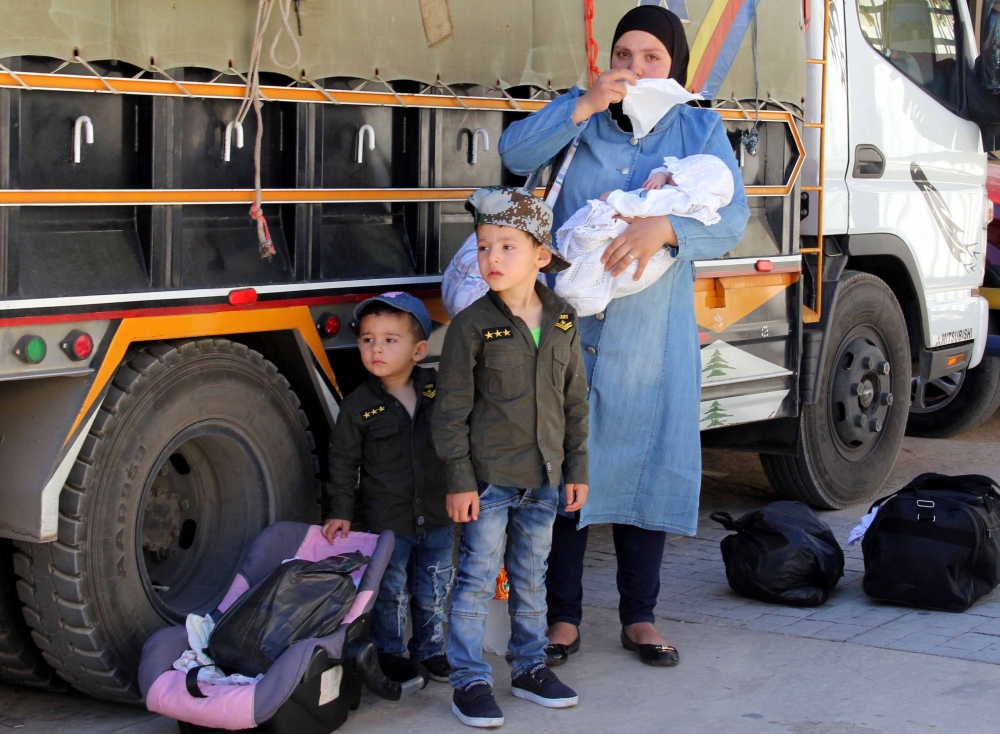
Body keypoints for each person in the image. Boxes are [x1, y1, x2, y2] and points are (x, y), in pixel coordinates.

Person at [498, 5, 750, 668]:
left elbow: (733, 219)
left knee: (644, 466)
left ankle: (640, 617)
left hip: (651, 332)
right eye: (625, 54)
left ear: (675, 67)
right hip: (569, 328)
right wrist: (580, 107)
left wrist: (666, 230)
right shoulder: (579, 114)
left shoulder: (698, 124)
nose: (635, 69)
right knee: (565, 470)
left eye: (652, 59)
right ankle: (562, 620)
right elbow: (513, 154)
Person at [433, 187, 590, 728]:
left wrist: (578, 470)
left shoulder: (565, 320)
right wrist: (459, 481)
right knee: (476, 578)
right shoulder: (471, 326)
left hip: (545, 481)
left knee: (529, 577)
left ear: (541, 256)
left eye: (507, 247)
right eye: (482, 248)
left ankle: (529, 666)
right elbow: (449, 414)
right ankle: (469, 680)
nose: (491, 260)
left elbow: (575, 402)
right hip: (488, 482)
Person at [323, 292, 453, 683]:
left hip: (438, 514)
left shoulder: (437, 389)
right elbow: (343, 463)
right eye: (367, 339)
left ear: (419, 350)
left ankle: (430, 651)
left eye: (390, 340)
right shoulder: (357, 405)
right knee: (390, 592)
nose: (375, 348)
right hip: (388, 521)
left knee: (434, 587)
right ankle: (390, 655)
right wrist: (341, 511)